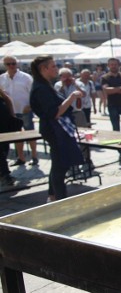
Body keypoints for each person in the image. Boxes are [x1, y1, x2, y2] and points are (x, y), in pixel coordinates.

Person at [29, 56, 84, 202]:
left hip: (57, 129)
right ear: (43, 69)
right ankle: (59, 199)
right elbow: (54, 112)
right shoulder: (41, 88)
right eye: (53, 66)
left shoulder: (45, 85)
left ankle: (53, 196)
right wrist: (71, 97)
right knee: (60, 165)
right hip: (54, 130)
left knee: (59, 164)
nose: (56, 69)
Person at [0, 55, 38, 166]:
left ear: (17, 64)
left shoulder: (26, 77)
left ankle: (34, 156)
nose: (11, 66)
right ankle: (21, 158)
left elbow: (34, 93)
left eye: (13, 63)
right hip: (10, 111)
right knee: (17, 135)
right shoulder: (1, 78)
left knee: (30, 133)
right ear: (4, 65)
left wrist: (30, 106)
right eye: (8, 64)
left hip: (25, 109)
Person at [0, 88, 16, 187]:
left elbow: (7, 99)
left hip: (4, 126)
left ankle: (4, 174)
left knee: (4, 149)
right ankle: (5, 175)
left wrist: (12, 116)